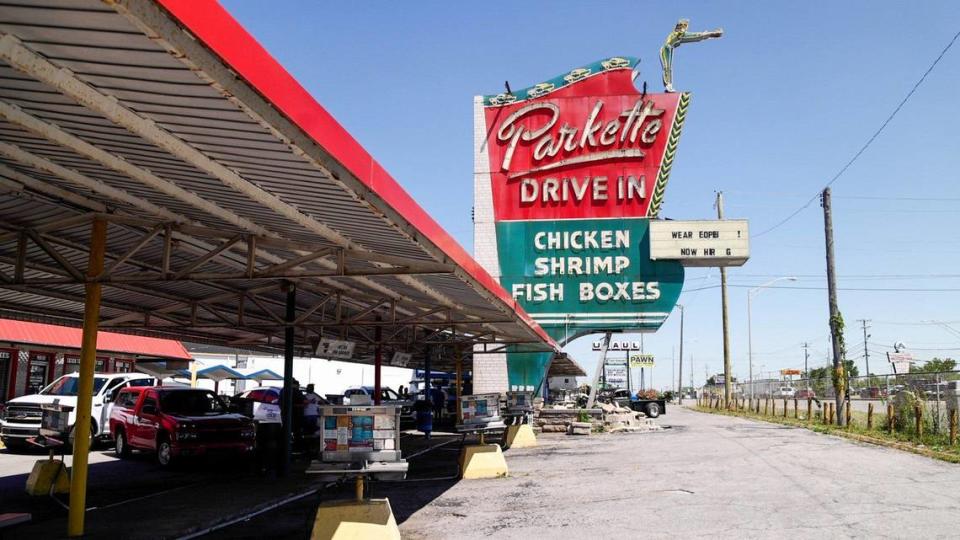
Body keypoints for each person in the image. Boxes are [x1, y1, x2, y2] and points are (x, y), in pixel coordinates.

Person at [660, 19, 723, 92]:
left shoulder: (678, 34)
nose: (685, 29)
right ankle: (668, 85)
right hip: (666, 49)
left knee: (669, 67)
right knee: (667, 67)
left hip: (669, 49)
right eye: (684, 26)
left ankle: (669, 85)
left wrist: (710, 34)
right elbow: (695, 36)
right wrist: (711, 34)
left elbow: (695, 36)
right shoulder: (678, 34)